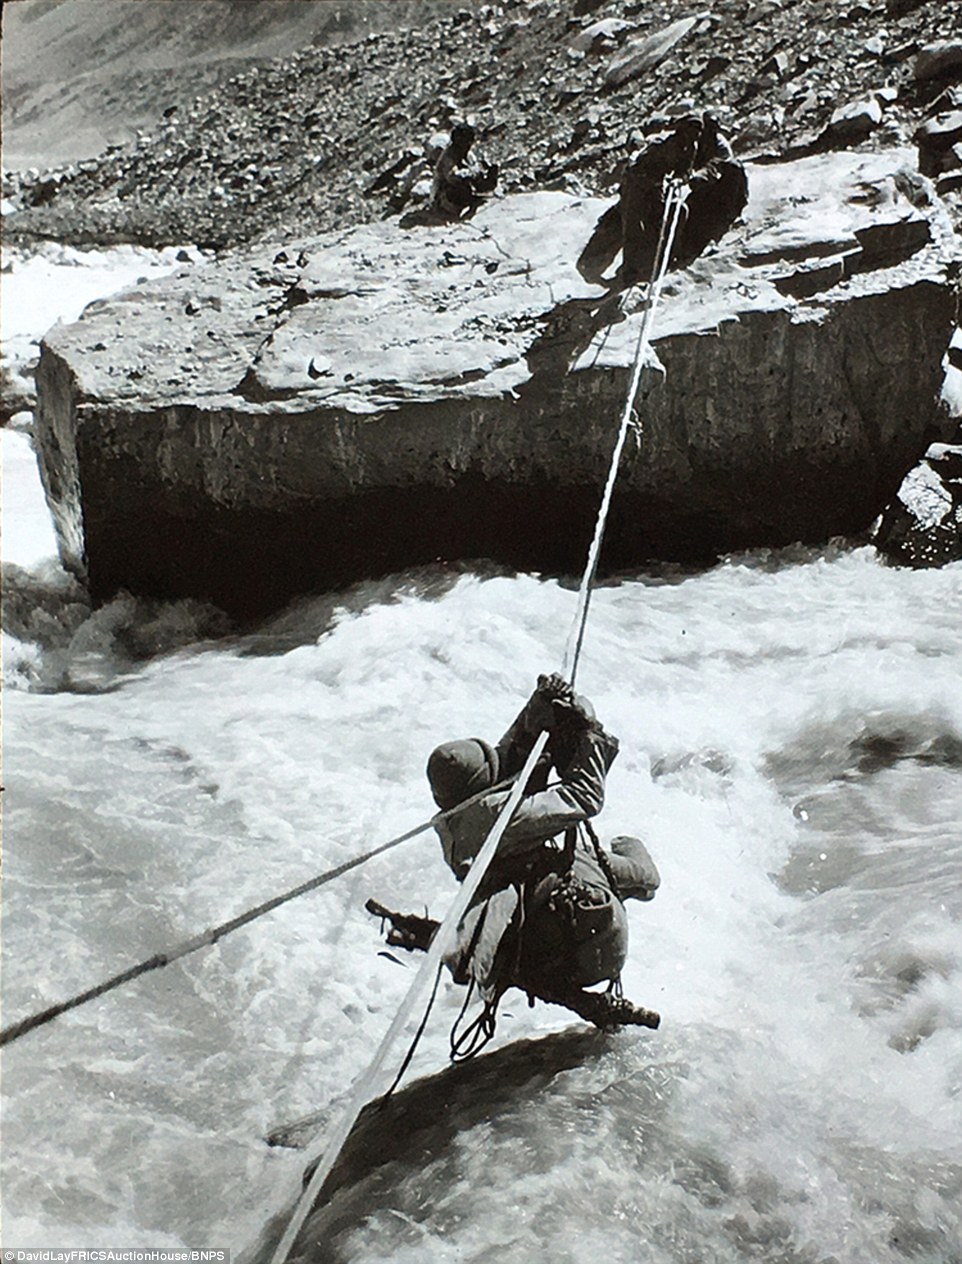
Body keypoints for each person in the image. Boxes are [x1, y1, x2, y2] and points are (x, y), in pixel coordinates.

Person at [369, 675, 661, 1045]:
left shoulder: (453, 817)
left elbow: (508, 755)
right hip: (577, 928)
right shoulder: (497, 816)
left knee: (588, 870)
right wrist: (589, 731)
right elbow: (583, 798)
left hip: (525, 900)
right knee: (643, 873)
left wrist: (538, 704)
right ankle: (627, 858)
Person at [577, 112, 748, 289]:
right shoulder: (668, 133)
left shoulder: (719, 147)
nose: (694, 136)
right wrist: (637, 147)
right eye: (692, 132)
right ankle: (597, 266)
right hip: (641, 183)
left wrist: (692, 177)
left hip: (715, 195)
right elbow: (639, 130)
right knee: (629, 219)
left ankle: (660, 260)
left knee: (677, 216)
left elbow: (712, 167)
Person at [430, 122, 499, 221]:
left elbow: (475, 167)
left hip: (461, 190)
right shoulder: (449, 156)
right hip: (444, 197)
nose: (469, 144)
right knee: (462, 185)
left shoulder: (468, 154)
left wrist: (484, 171)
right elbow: (451, 177)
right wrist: (469, 175)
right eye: (467, 141)